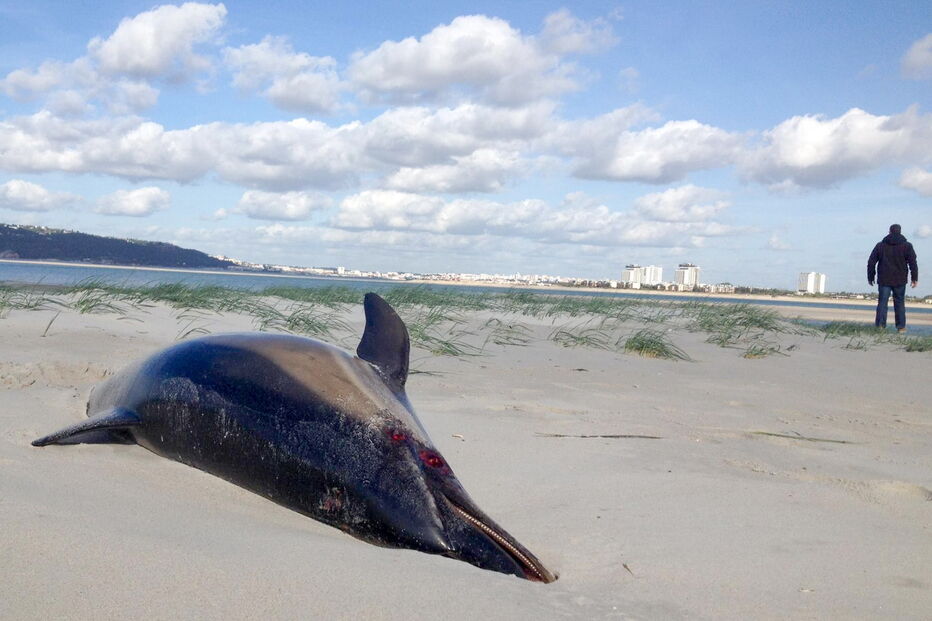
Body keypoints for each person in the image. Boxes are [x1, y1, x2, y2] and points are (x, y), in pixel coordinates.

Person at [867, 224, 919, 332]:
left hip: (884, 279)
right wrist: (914, 278)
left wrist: (870, 276)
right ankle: (901, 327)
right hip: (900, 279)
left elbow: (871, 262)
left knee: (882, 302)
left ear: (889, 231)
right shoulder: (907, 246)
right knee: (899, 303)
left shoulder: (880, 245)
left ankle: (880, 326)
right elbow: (913, 263)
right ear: (900, 231)